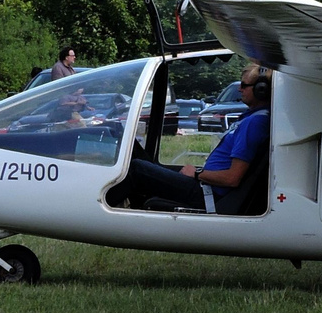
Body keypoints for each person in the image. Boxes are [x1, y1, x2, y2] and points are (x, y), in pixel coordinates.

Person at [114, 64, 272, 214]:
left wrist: (197, 174)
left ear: (261, 90)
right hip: (206, 187)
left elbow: (232, 178)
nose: (239, 89)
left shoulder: (255, 122)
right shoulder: (252, 118)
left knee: (137, 168)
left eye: (244, 85)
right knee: (140, 157)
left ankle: (101, 209)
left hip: (206, 193)